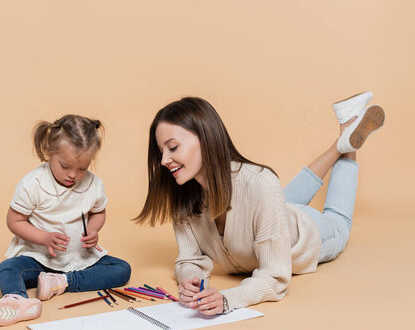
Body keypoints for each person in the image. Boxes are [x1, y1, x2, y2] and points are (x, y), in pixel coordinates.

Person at [135, 94, 384, 315]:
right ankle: (340, 143)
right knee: (280, 198)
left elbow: (275, 276)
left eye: (173, 147)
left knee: (339, 220)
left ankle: (348, 144)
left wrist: (226, 300)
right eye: (161, 152)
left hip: (306, 232)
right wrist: (191, 280)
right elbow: (188, 260)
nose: (164, 160)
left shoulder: (259, 183)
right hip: (276, 216)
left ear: (205, 138)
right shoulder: (183, 196)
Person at [0, 114, 131, 326]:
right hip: (38, 259)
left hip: (80, 260)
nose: (73, 175)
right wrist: (43, 237)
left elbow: (99, 212)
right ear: (49, 152)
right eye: (65, 166)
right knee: (7, 268)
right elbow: (15, 221)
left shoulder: (94, 185)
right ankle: (18, 300)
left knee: (122, 269)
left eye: (82, 168)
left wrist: (93, 229)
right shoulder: (34, 184)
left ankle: (62, 282)